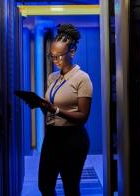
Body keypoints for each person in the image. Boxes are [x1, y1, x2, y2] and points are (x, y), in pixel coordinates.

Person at [38, 24, 93, 196]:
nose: (56, 61)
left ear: (72, 52)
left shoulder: (82, 78)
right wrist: (43, 107)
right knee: (45, 186)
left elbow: (83, 116)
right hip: (52, 137)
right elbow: (51, 111)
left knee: (70, 188)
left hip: (73, 139)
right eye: (52, 56)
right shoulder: (52, 77)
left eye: (59, 56)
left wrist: (56, 110)